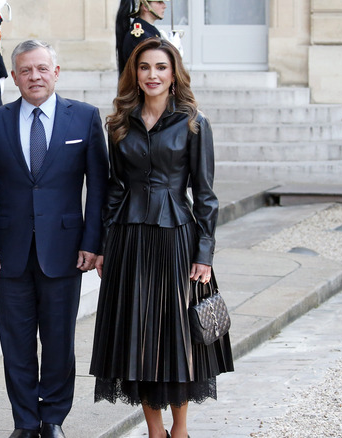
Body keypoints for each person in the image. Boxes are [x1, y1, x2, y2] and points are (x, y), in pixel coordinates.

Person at [89, 38, 234, 438]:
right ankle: (155, 433)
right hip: (129, 241)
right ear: (134, 73)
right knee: (137, 334)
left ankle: (181, 431)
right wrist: (103, 246)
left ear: (174, 75)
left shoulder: (193, 122)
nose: (152, 75)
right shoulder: (119, 122)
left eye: (161, 68)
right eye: (144, 67)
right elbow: (115, 189)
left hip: (177, 241)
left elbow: (205, 195)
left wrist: (204, 253)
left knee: (177, 336)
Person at [0, 40, 109, 438]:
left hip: (65, 251)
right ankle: (24, 421)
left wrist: (93, 242)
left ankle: (52, 418)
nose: (34, 77)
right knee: (16, 343)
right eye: (26, 70)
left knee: (58, 343)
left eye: (42, 69)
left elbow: (99, 186)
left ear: (56, 72)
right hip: (10, 252)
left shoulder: (85, 118)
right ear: (15, 76)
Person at [116, 0, 167, 76]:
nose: (164, 6)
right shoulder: (139, 36)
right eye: (159, 2)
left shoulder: (151, 31)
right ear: (145, 7)